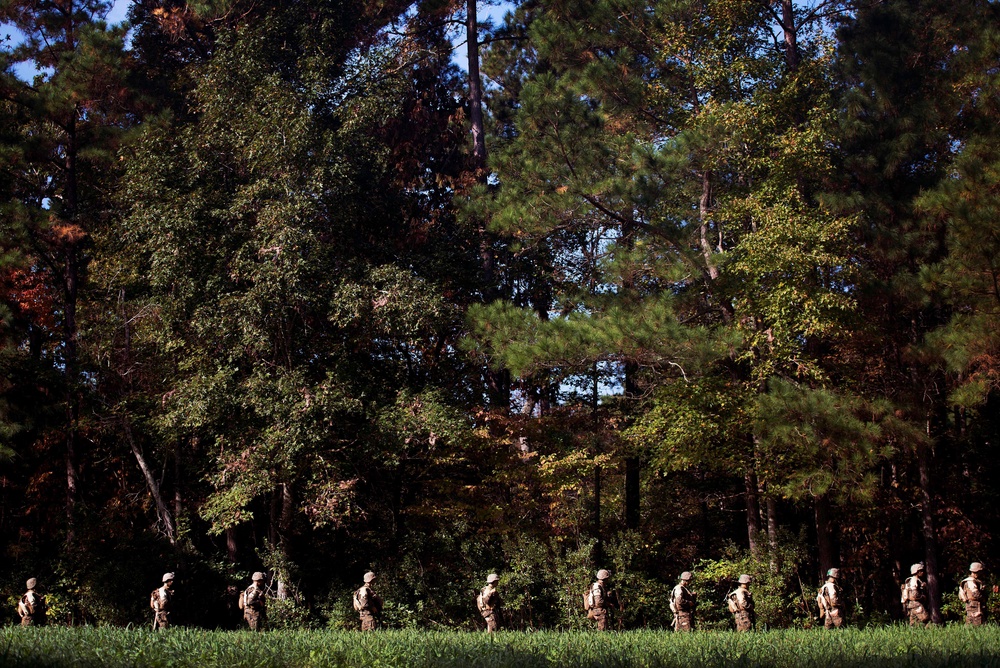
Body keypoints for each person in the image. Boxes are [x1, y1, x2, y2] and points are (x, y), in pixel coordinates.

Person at [902, 563, 930, 627]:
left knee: (914, 624)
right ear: (917, 572)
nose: (922, 572)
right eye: (921, 571)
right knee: (926, 620)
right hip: (916, 604)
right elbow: (915, 595)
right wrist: (923, 597)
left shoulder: (909, 580)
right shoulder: (915, 581)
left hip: (910, 605)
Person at [959, 562, 986, 626]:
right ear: (977, 571)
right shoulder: (971, 581)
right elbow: (976, 595)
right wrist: (984, 595)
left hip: (973, 605)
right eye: (979, 571)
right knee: (976, 623)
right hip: (974, 605)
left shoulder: (973, 581)